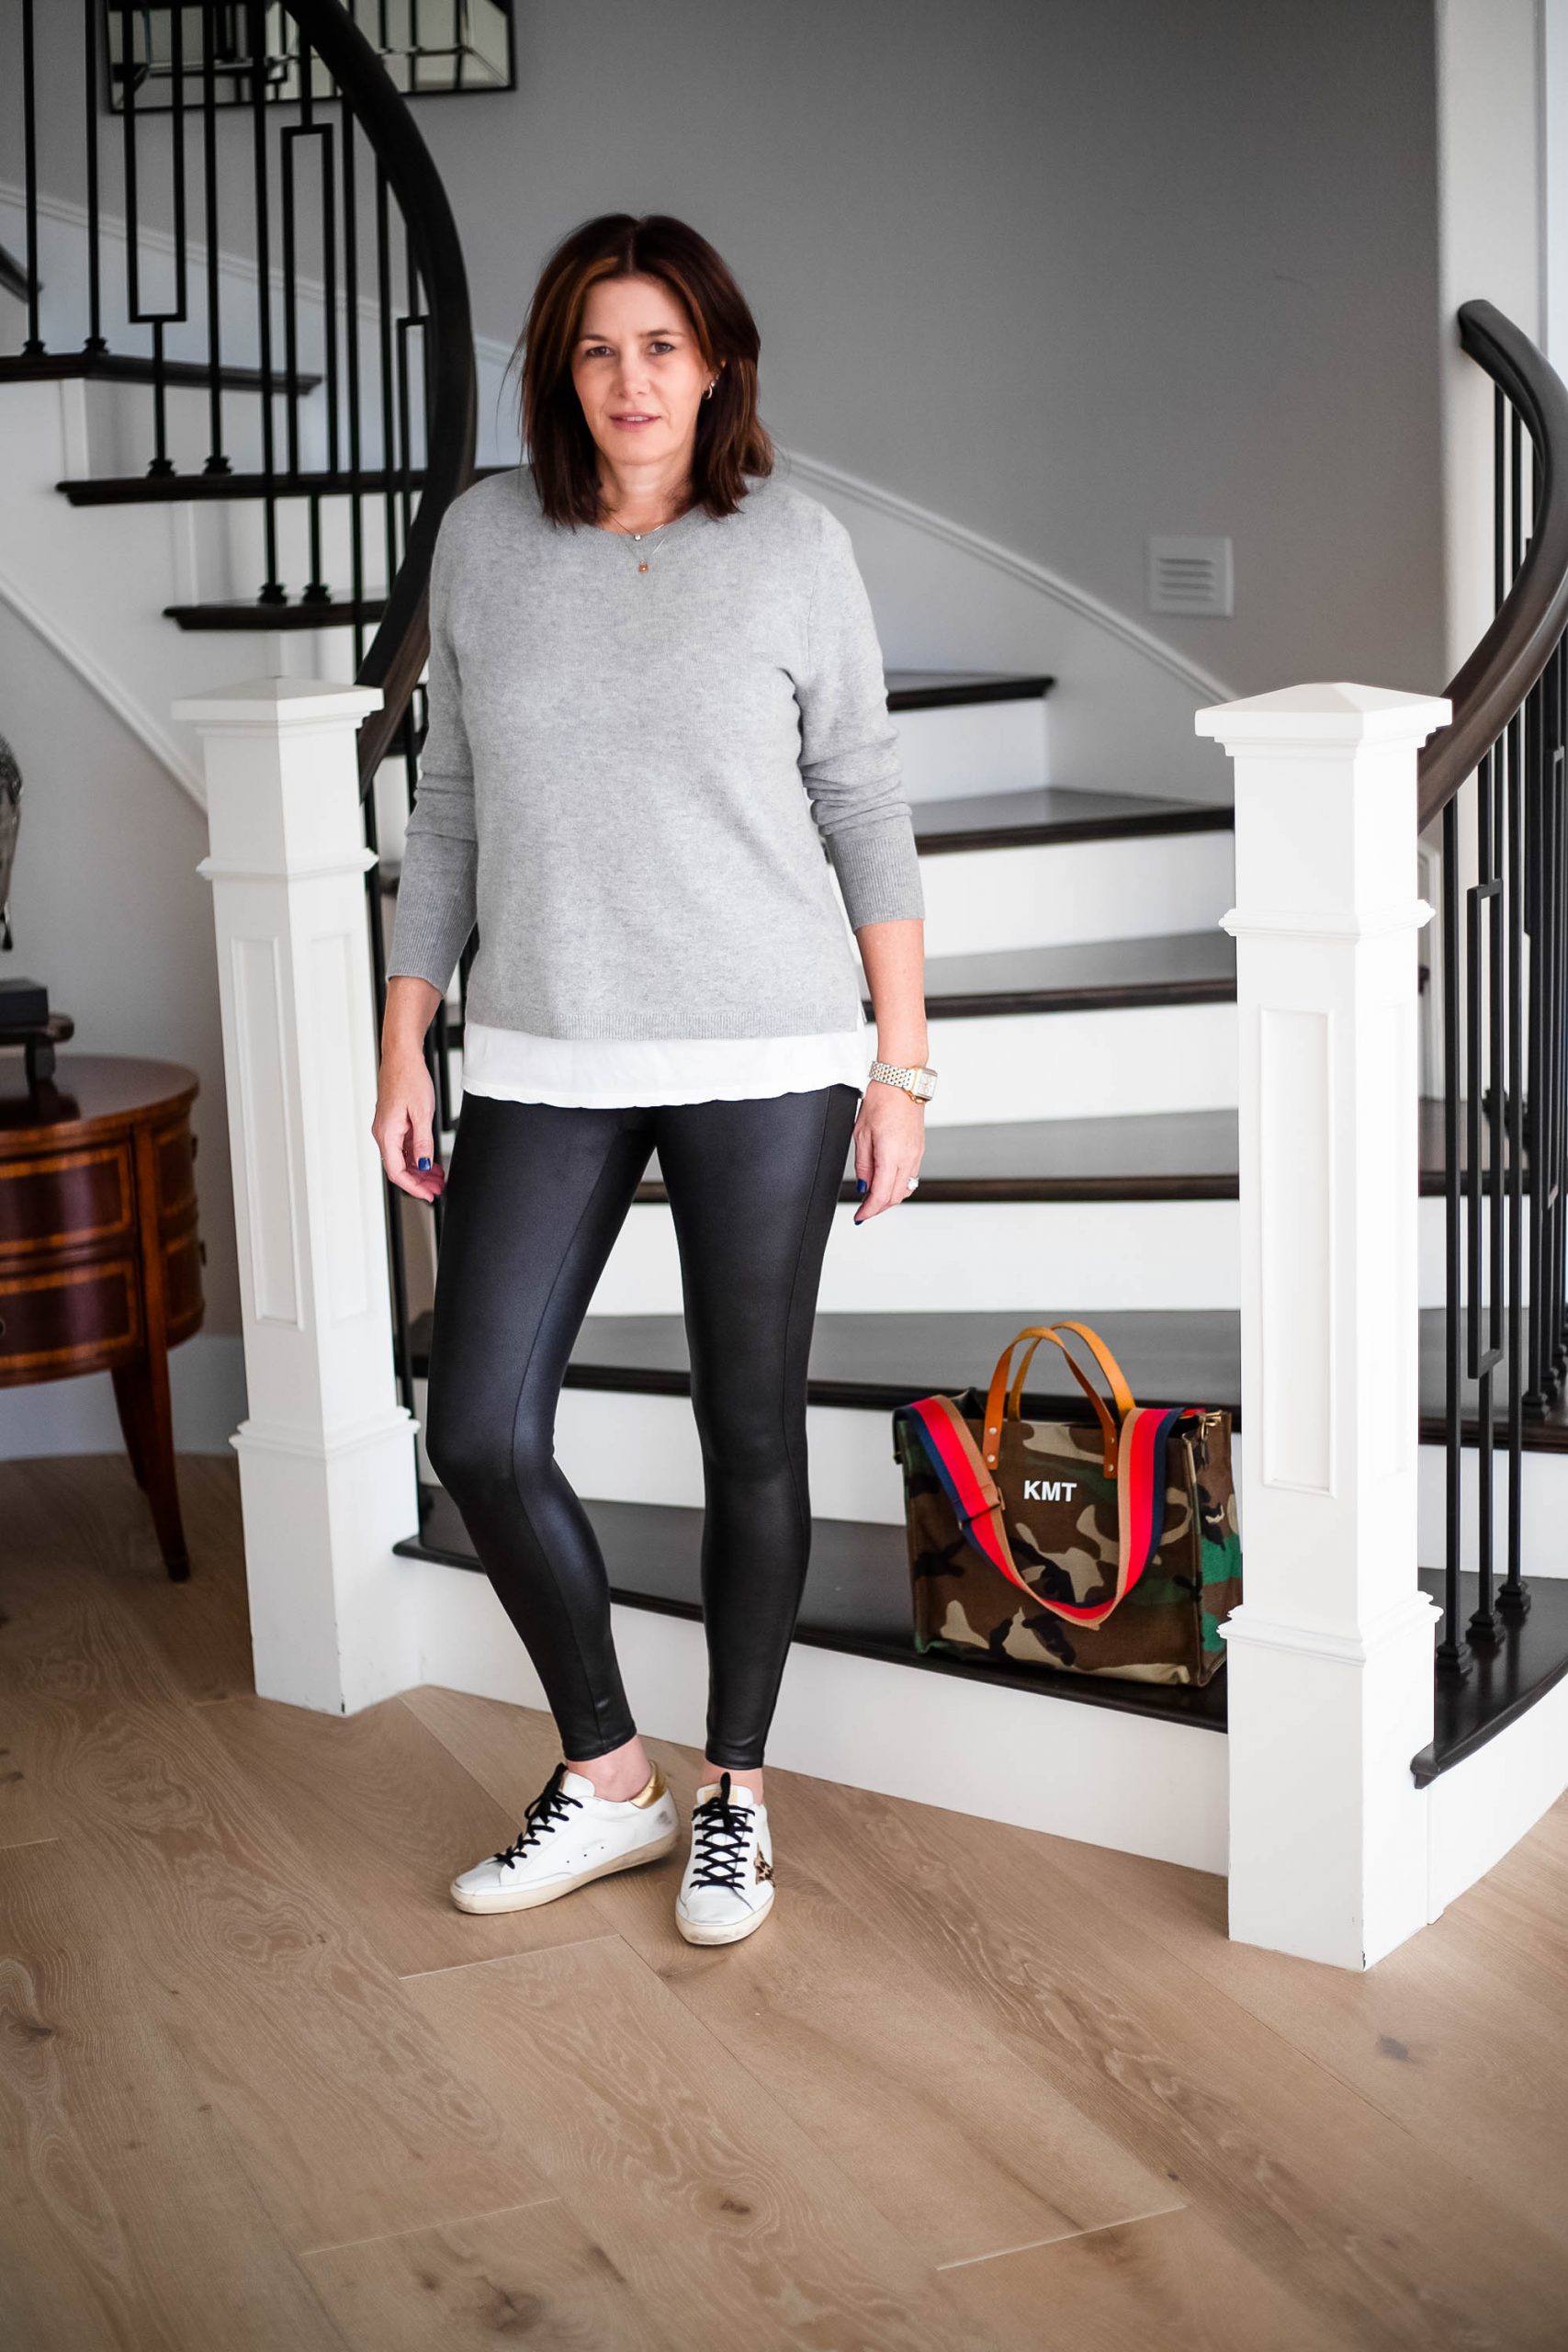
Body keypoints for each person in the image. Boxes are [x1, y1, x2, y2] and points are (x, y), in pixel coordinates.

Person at [372, 211, 936, 1948]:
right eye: (600, 349)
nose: (632, 381)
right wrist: (405, 1037)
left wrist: (901, 1067)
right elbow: (449, 808)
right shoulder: (484, 538)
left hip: (767, 1049)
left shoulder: (796, 546)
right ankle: (610, 1774)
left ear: (717, 367)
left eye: (663, 348)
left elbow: (863, 801)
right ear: (560, 369)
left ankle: (736, 1796)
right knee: (478, 1425)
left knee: (748, 1427)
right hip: (545, 1046)